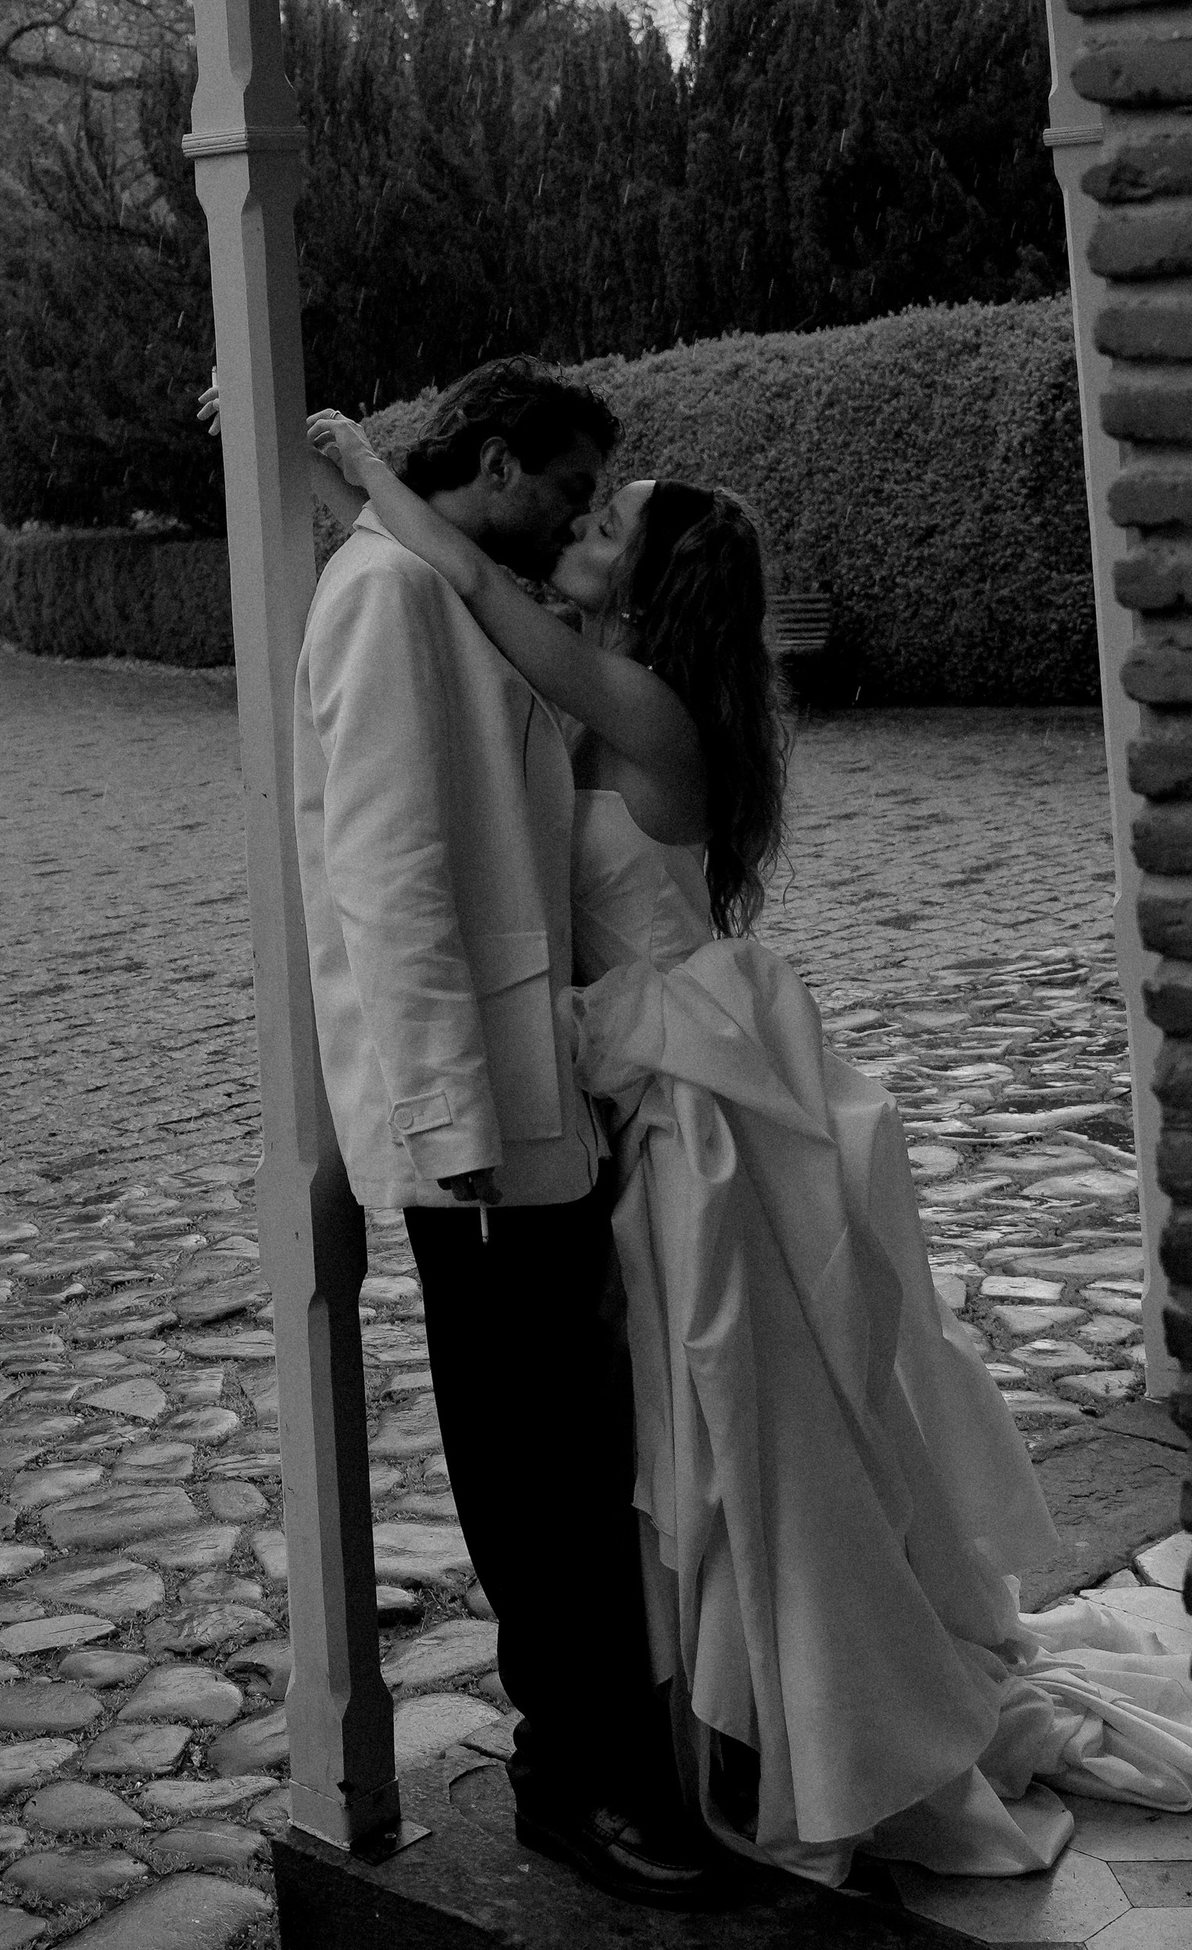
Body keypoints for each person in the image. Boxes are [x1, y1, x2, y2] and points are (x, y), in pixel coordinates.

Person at [306, 403, 1192, 1884]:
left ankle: (777, 1722)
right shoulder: (619, 686)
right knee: (681, 1430)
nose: (580, 528)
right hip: (645, 1086)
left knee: (726, 1420)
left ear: (651, 593)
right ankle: (710, 1726)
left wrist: (361, 469)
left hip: (691, 1107)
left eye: (609, 524)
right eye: (584, 506)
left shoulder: (635, 707)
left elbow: (464, 586)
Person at [288, 356, 716, 1903]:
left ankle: (612, 1757)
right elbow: (389, 881)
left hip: (544, 1100)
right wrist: (452, 1115)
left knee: (582, 1446)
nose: (583, 512)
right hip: (471, 1127)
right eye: (570, 484)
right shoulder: (389, 599)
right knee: (532, 1470)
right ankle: (571, 1783)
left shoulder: (449, 584)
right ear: (495, 462)